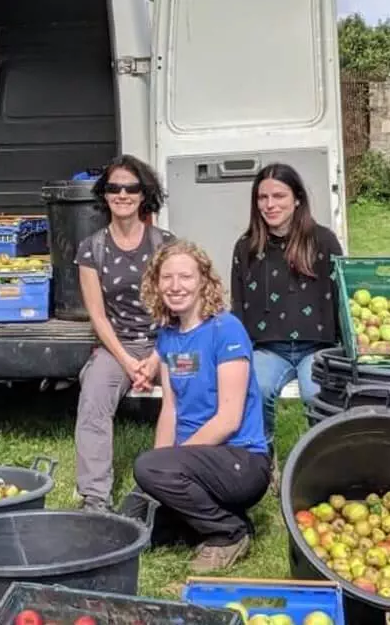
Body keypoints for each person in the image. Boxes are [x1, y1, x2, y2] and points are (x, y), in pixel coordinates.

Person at [131, 240, 270, 573]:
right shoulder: (168, 335)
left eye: (185, 277)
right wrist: (154, 482)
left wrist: (165, 465)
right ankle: (219, 521)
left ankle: (228, 533)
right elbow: (171, 410)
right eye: (167, 277)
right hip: (193, 463)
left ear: (203, 282)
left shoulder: (226, 329)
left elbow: (228, 419)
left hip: (241, 460)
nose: (175, 286)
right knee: (135, 525)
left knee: (151, 469)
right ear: (156, 282)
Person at [229, 163, 343, 487]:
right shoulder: (246, 246)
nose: (270, 204)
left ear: (297, 199)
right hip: (268, 348)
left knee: (316, 392)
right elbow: (238, 304)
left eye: (279, 195)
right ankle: (262, 463)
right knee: (257, 387)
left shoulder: (323, 241)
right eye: (262, 197)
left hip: (318, 346)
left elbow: (342, 296)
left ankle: (319, 468)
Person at [73, 156, 175, 512]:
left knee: (193, 388)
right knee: (94, 398)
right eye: (114, 187)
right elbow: (98, 317)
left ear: (144, 194)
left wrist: (157, 356)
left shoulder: (165, 244)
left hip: (166, 341)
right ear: (105, 195)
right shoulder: (91, 248)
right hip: (118, 345)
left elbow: (178, 309)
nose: (122, 194)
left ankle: (176, 480)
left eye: (131, 187)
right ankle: (94, 497)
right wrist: (129, 362)